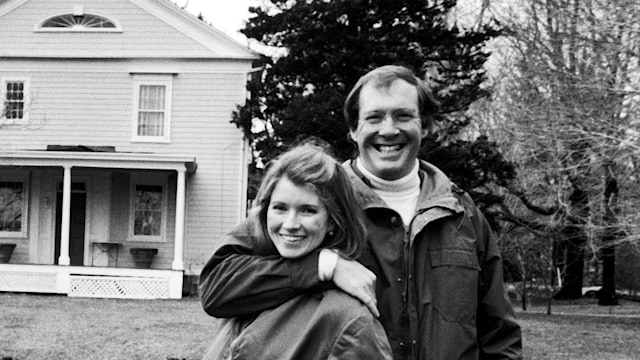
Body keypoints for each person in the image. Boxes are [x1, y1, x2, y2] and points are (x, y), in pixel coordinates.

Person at [200, 65, 522, 360]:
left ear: (425, 125)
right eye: (374, 117)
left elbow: (500, 336)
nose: (389, 130)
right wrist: (325, 266)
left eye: (403, 116)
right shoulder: (316, 199)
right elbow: (217, 286)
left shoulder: (462, 214)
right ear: (353, 130)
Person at [201, 143, 393, 360]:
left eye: (308, 210)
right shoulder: (252, 280)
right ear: (264, 212)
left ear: (332, 221)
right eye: (280, 208)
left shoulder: (349, 317)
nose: (290, 223)